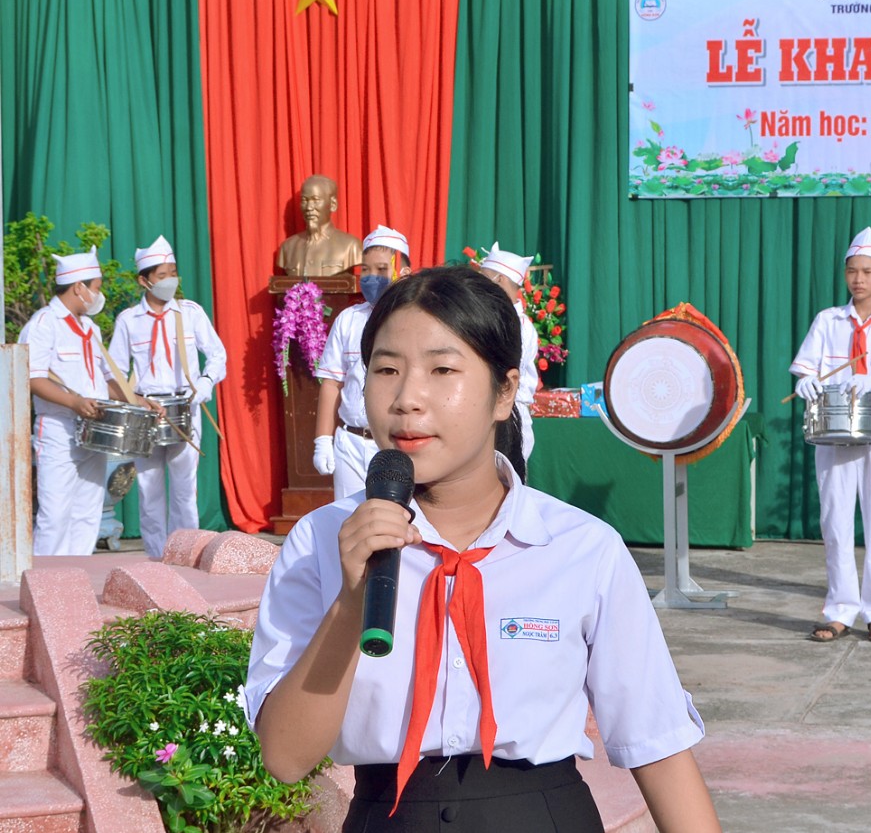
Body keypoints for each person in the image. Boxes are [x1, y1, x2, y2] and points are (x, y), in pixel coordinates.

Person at [246, 265, 719, 832]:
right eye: (386, 370)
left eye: (443, 369)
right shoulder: (320, 541)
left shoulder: (581, 548)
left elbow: (656, 742)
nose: (407, 399)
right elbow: (285, 758)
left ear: (505, 392)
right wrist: (351, 602)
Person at [789, 227, 871, 643]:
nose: (858, 279)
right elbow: (805, 367)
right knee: (835, 522)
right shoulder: (827, 320)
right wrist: (804, 382)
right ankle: (839, 610)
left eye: (867, 271)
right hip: (832, 434)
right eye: (852, 271)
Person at [108, 236, 227, 557]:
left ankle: (185, 554)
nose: (170, 280)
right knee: (149, 491)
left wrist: (205, 382)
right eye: (162, 275)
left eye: (173, 273)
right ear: (144, 281)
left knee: (185, 489)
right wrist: (133, 400)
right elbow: (114, 372)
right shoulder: (129, 320)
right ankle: (156, 556)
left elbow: (217, 354)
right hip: (146, 409)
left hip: (185, 405)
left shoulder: (190, 313)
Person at [19, 247, 130, 555]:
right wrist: (74, 403)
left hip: (95, 430)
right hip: (59, 430)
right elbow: (32, 378)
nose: (99, 295)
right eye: (96, 287)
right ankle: (46, 580)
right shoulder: (43, 324)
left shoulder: (91, 328)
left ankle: (77, 576)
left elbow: (107, 381)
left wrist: (139, 400)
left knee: (87, 514)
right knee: (55, 516)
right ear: (79, 287)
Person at [313, 226, 412, 499]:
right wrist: (322, 439)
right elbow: (332, 382)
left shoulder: (417, 320)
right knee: (349, 516)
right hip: (351, 442)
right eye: (365, 270)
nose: (371, 278)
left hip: (396, 444)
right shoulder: (349, 319)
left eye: (382, 269)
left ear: (404, 273)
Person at [475, 242, 539, 463]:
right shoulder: (496, 317)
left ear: (500, 279)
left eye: (483, 278)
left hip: (507, 415)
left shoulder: (518, 325)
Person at [275, 174, 363, 276]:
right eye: (304, 200)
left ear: (333, 205)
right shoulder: (287, 248)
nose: (309, 207)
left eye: (316, 200)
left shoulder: (351, 246)